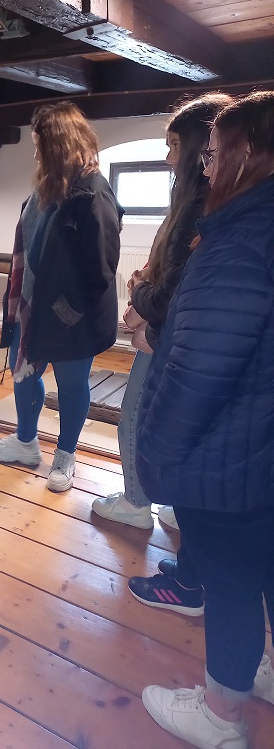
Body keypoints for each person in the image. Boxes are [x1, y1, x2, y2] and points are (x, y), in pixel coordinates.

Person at [136, 91, 274, 749]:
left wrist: (156, 455)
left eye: (215, 155)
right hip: (261, 445)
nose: (206, 168)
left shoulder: (237, 241)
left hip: (227, 457)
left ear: (248, 155)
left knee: (231, 585)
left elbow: (199, 371)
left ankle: (220, 718)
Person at [92, 94, 232, 531]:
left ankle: (136, 501)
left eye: (174, 146)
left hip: (172, 338)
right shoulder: (202, 197)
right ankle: (173, 503)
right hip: (177, 334)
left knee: (136, 414)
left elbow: (175, 292)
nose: (169, 158)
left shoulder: (201, 203)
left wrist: (141, 301)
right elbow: (169, 269)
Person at [0, 102, 122, 492]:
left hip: (71, 316)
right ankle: (26, 442)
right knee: (23, 372)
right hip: (35, 305)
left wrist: (65, 313)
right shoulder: (49, 187)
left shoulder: (92, 193)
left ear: (59, 145)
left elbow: (100, 269)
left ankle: (66, 455)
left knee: (71, 384)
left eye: (40, 147)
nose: (35, 155)